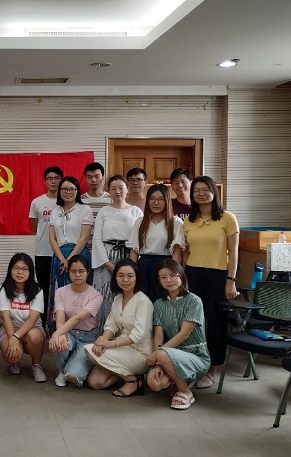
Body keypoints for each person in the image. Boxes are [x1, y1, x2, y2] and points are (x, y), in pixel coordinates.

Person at [183, 175, 238, 390]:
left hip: (218, 275)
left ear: (214, 192)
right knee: (193, 321)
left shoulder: (228, 218)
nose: (201, 194)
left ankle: (212, 368)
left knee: (215, 322)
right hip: (193, 274)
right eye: (196, 190)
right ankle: (193, 364)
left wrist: (231, 280)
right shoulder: (189, 220)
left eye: (205, 189)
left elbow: (234, 252)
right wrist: (182, 278)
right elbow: (187, 251)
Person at [145, 259, 210, 410]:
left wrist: (159, 354)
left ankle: (185, 392)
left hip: (196, 355)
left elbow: (184, 334)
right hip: (170, 354)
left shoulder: (194, 301)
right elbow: (158, 336)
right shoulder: (159, 304)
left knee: (162, 354)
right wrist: (159, 363)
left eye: (173, 275)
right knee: (155, 384)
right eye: (163, 277)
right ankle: (180, 379)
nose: (168, 280)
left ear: (181, 275)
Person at [84, 259, 153, 397]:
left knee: (89, 351)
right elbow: (111, 325)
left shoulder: (143, 301)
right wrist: (102, 341)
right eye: (121, 275)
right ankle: (132, 375)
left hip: (141, 353)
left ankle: (132, 381)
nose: (125, 280)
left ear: (137, 277)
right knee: (95, 382)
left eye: (130, 276)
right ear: (115, 277)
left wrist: (109, 344)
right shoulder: (118, 299)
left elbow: (137, 335)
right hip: (123, 349)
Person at [91, 175, 143, 335]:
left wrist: (131, 263)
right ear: (109, 191)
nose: (117, 191)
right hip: (106, 257)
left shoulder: (136, 211)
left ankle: (125, 336)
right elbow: (97, 238)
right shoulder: (103, 211)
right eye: (113, 188)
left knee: (126, 295)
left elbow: (139, 239)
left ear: (127, 190)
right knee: (104, 296)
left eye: (121, 188)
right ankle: (103, 334)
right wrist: (106, 263)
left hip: (128, 257)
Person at [46, 176, 93, 335]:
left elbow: (84, 237)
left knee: (79, 291)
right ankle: (60, 330)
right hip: (59, 256)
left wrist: (70, 259)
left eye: (72, 189)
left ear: (77, 191)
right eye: (64, 189)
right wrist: (62, 259)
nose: (68, 192)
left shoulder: (84, 209)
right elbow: (52, 239)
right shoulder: (55, 211)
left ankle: (80, 329)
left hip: (79, 254)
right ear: (60, 191)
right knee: (61, 292)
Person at [49, 255, 102, 388]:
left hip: (88, 338)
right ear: (68, 272)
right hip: (69, 333)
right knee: (58, 343)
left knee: (73, 377)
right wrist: (60, 334)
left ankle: (72, 367)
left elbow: (77, 318)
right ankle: (63, 370)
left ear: (88, 272)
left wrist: (57, 333)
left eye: (81, 271)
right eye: (73, 271)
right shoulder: (60, 292)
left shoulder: (96, 296)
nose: (77, 275)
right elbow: (60, 316)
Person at [128, 184, 184, 301]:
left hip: (165, 266)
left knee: (163, 299)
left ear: (167, 201)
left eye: (161, 199)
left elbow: (177, 252)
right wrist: (131, 272)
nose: (156, 203)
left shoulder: (176, 222)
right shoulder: (140, 222)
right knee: (142, 300)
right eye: (152, 199)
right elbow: (133, 250)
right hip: (143, 265)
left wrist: (173, 274)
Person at [0, 253, 47, 382]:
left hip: (31, 329)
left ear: (30, 271)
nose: (20, 272)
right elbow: (6, 318)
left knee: (34, 336)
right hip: (10, 328)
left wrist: (16, 337)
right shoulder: (3, 289)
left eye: (24, 269)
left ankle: (36, 365)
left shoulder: (37, 290)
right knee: (10, 355)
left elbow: (32, 320)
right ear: (10, 269)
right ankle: (14, 363)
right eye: (16, 268)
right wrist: (12, 337)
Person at [29, 166, 63, 321]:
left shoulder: (66, 202)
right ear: (45, 181)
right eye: (50, 178)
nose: (53, 181)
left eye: (57, 178)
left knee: (62, 288)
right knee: (43, 288)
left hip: (62, 253)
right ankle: (44, 323)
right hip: (42, 252)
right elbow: (34, 227)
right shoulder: (37, 202)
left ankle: (59, 321)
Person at [81, 162, 112, 250]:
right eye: (89, 177)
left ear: (103, 177)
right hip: (84, 249)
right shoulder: (80, 201)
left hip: (106, 249)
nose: (93, 180)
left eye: (97, 176)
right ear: (85, 178)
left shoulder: (111, 200)